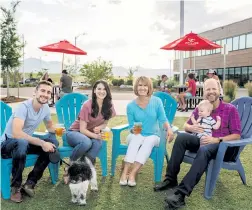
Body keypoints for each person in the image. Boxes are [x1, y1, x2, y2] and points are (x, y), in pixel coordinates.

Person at [154, 78, 241, 209]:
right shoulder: (202, 106)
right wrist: (191, 128)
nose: (211, 91)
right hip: (202, 140)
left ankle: (181, 195)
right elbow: (186, 125)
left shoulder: (230, 109)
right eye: (208, 89)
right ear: (204, 91)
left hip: (222, 146)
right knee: (182, 138)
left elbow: (236, 135)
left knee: (204, 149)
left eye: (214, 88)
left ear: (219, 90)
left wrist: (217, 140)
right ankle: (170, 179)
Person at [1, 80, 61, 203]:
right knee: (23, 142)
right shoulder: (23, 107)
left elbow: (50, 127)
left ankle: (30, 183)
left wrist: (58, 130)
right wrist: (41, 143)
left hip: (23, 144)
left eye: (48, 92)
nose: (45, 94)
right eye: (42, 91)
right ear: (35, 92)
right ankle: (15, 187)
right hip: (7, 145)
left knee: (51, 144)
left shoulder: (45, 109)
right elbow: (17, 133)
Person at [119, 76, 174, 187]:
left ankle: (132, 174)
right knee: (136, 138)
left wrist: (169, 129)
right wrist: (133, 130)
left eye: (145, 85)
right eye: (140, 85)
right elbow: (131, 125)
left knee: (149, 141)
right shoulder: (131, 106)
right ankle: (124, 173)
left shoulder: (156, 101)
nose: (142, 88)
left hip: (154, 135)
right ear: (136, 87)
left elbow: (163, 119)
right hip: (137, 134)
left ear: (149, 88)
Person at [65, 80, 116, 183]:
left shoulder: (109, 105)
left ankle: (84, 171)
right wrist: (96, 135)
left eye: (104, 89)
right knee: (87, 142)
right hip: (75, 133)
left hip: (90, 134)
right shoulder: (87, 105)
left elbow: (105, 123)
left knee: (97, 144)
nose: (102, 91)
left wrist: (100, 127)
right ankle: (69, 167)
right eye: (99, 89)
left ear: (107, 91)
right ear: (94, 91)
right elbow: (82, 129)